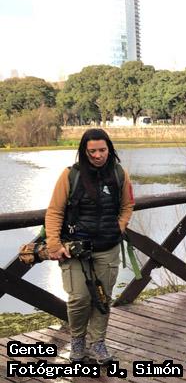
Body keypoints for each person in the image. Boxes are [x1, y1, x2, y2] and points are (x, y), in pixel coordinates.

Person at [45, 128, 134, 364]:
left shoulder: (119, 174)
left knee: (103, 298)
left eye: (102, 150)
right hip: (74, 250)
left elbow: (127, 206)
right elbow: (54, 211)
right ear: (84, 151)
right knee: (78, 299)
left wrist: (119, 227)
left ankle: (98, 343)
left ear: (109, 149)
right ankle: (77, 340)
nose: (98, 155)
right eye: (92, 151)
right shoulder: (69, 175)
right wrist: (53, 244)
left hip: (108, 248)